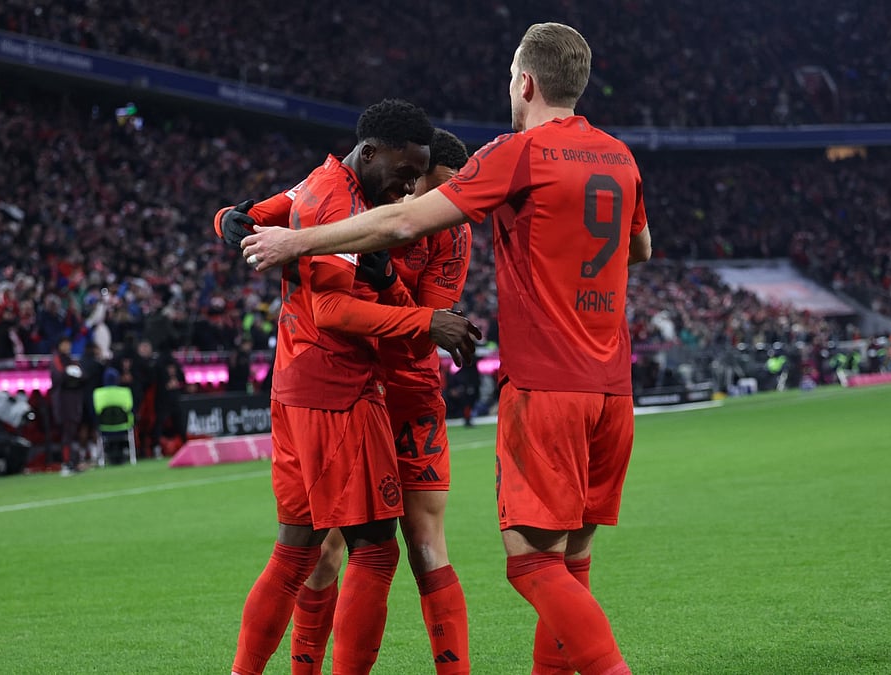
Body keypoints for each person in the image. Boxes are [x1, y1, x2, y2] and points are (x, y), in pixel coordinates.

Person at [241, 23, 652, 675]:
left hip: (544, 386)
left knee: (531, 563)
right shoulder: (620, 157)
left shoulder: (516, 155)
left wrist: (295, 243)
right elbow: (639, 249)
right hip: (612, 386)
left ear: (525, 82)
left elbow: (407, 222)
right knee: (571, 559)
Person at [227, 99, 478, 675]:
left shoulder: (448, 233)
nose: (429, 202)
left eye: (439, 191)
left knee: (418, 541)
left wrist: (395, 289)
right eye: (419, 184)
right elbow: (329, 297)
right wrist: (229, 222)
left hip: (397, 388)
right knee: (336, 552)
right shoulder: (348, 199)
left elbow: (417, 341)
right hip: (343, 387)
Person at [49, 336, 85, 476]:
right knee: (66, 433)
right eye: (65, 344)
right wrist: (71, 376)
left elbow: (82, 376)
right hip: (63, 402)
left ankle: (72, 462)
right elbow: (60, 376)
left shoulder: (71, 360)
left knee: (72, 432)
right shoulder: (57, 360)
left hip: (73, 402)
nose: (67, 346)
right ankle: (66, 463)